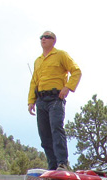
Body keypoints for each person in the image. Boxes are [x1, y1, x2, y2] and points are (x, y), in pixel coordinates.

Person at [27, 30, 81, 171]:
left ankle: (62, 163)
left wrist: (68, 87)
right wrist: (31, 101)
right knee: (44, 134)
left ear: (53, 40)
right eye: (41, 37)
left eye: (47, 37)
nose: (43, 39)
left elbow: (76, 71)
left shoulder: (61, 55)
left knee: (56, 129)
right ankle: (52, 166)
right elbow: (34, 82)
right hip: (41, 100)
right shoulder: (38, 61)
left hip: (55, 98)